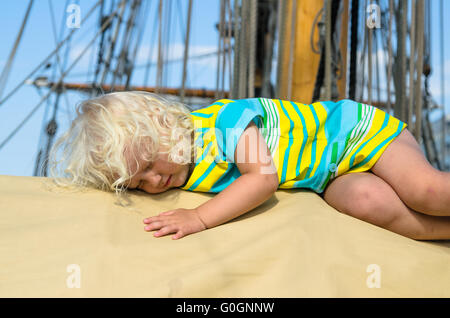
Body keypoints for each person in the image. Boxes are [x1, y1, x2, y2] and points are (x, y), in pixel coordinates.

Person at [49, 91, 450, 240]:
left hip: (353, 133)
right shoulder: (182, 171)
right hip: (330, 175)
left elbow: (263, 178)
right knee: (368, 202)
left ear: (163, 124)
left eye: (152, 162)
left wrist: (200, 218)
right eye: (140, 183)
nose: (155, 179)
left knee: (426, 192)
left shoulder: (223, 123)